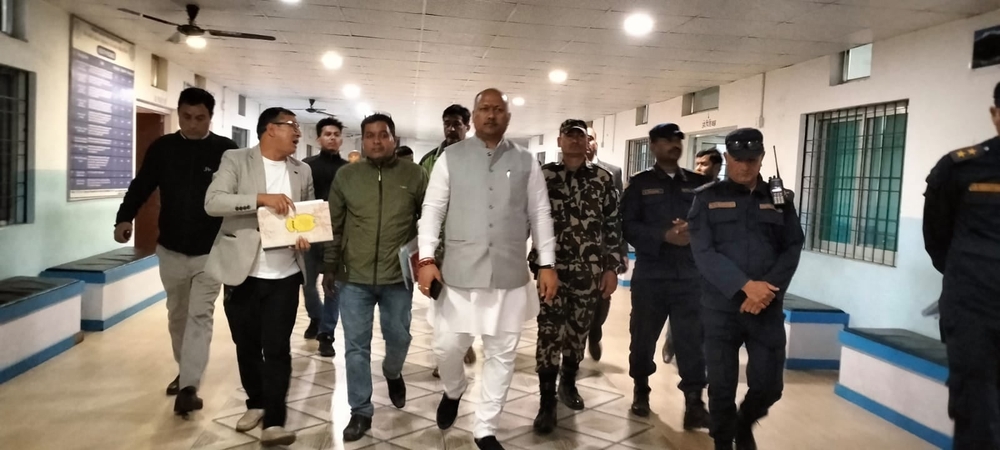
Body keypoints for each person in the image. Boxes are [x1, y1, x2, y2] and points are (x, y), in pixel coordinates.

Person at [417, 88, 558, 450]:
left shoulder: (526, 161)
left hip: (508, 274)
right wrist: (427, 258)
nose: (491, 115)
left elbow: (540, 213)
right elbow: (432, 210)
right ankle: (454, 389)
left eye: (498, 110)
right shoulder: (451, 157)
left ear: (508, 117)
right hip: (459, 272)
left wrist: (547, 263)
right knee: (447, 346)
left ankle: (485, 428)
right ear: (474, 115)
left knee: (502, 354)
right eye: (484, 109)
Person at [113, 87, 238, 414]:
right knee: (178, 315)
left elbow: (239, 197)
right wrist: (124, 217)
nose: (192, 124)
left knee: (200, 315)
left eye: (200, 118)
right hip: (170, 249)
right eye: (186, 117)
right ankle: (186, 372)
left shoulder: (226, 150)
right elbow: (142, 184)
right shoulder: (163, 148)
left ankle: (189, 387)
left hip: (211, 251)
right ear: (179, 114)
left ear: (210, 118)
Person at [688, 128, 804, 450]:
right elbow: (703, 252)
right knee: (722, 386)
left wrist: (767, 291)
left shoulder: (779, 200)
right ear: (727, 157)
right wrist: (744, 286)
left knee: (770, 386)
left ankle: (744, 422)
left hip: (766, 307)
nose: (745, 166)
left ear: (762, 158)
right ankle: (723, 441)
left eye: (752, 159)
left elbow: (792, 246)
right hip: (721, 308)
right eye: (738, 159)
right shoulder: (707, 197)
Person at [203, 107, 314, 446]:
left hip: (285, 274)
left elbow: (307, 215)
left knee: (277, 348)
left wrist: (304, 235)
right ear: (270, 129)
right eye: (292, 125)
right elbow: (213, 202)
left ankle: (275, 421)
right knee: (247, 345)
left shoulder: (302, 170)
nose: (298, 132)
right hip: (243, 272)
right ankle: (256, 403)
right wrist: (260, 200)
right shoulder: (236, 160)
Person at [322, 113, 428, 442]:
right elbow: (334, 224)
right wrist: (330, 266)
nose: (377, 141)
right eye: (370, 135)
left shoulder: (415, 175)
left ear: (394, 139)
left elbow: (430, 220)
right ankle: (360, 411)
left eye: (384, 135)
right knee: (356, 346)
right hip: (354, 277)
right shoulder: (347, 176)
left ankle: (392, 372)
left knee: (399, 338)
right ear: (363, 140)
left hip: (397, 278)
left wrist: (428, 260)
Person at [530, 119, 624, 434]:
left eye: (579, 136)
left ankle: (568, 383)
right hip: (551, 271)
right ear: (559, 141)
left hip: (588, 271)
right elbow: (528, 218)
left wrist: (612, 267)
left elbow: (612, 225)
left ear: (588, 142)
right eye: (569, 136)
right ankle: (546, 401)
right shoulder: (543, 176)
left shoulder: (603, 179)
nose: (574, 141)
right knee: (549, 333)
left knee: (578, 332)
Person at [922, 82, 1000, 450]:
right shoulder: (961, 168)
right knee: (976, 414)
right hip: (974, 313)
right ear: (995, 115)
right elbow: (937, 240)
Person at [621, 123, 711, 429]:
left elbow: (713, 223)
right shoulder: (640, 184)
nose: (674, 144)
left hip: (690, 276)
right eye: (666, 140)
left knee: (692, 341)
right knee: (643, 337)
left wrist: (692, 231)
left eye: (677, 140)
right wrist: (663, 235)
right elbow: (628, 225)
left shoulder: (699, 184)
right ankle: (641, 391)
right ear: (653, 145)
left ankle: (694, 403)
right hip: (652, 276)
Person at [419, 104, 478, 378]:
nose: (451, 129)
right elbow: (422, 203)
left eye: (457, 124)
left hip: (470, 245)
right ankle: (444, 358)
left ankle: (464, 341)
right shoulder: (430, 161)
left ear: (468, 127)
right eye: (447, 124)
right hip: (439, 246)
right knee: (440, 302)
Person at [663, 147, 724, 364]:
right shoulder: (688, 190)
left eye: (704, 164)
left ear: (717, 167)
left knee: (706, 309)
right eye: (697, 163)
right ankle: (672, 341)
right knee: (682, 304)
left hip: (713, 261)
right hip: (687, 258)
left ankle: (699, 352)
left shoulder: (723, 192)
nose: (698, 168)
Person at [301, 117, 348, 357]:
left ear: (341, 139)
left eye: (336, 134)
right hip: (310, 233)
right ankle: (316, 316)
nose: (332, 138)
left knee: (333, 286)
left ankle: (326, 334)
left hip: (338, 234)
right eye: (327, 134)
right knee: (308, 284)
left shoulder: (348, 170)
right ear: (318, 138)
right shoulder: (306, 166)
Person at [584, 126, 627, 362]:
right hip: (574, 249)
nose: (586, 142)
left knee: (602, 297)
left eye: (590, 138)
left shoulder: (612, 172)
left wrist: (621, 251)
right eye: (582, 138)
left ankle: (595, 332)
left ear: (596, 142)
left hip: (603, 248)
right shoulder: (564, 171)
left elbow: (619, 215)